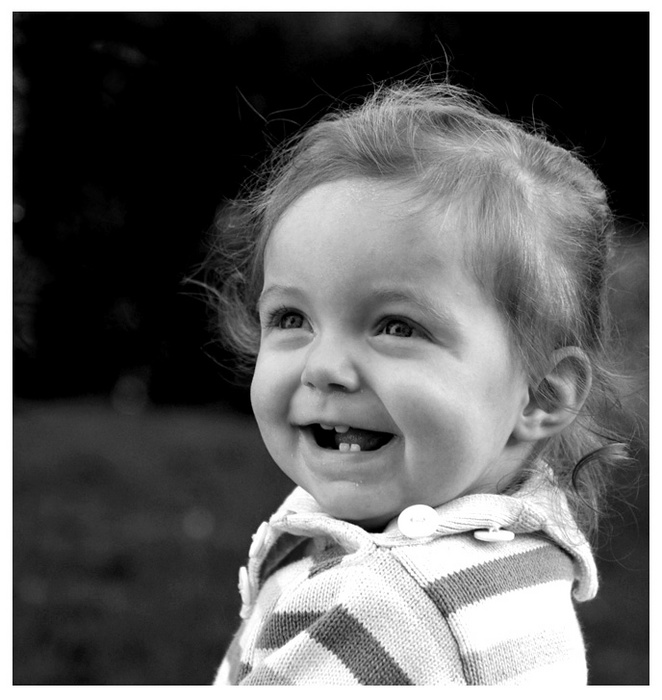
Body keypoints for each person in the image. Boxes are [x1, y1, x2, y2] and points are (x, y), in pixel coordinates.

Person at [202, 82, 632, 685]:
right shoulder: (508, 565)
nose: (324, 367)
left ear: (540, 393)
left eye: (397, 327)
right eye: (292, 319)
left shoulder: (379, 611)